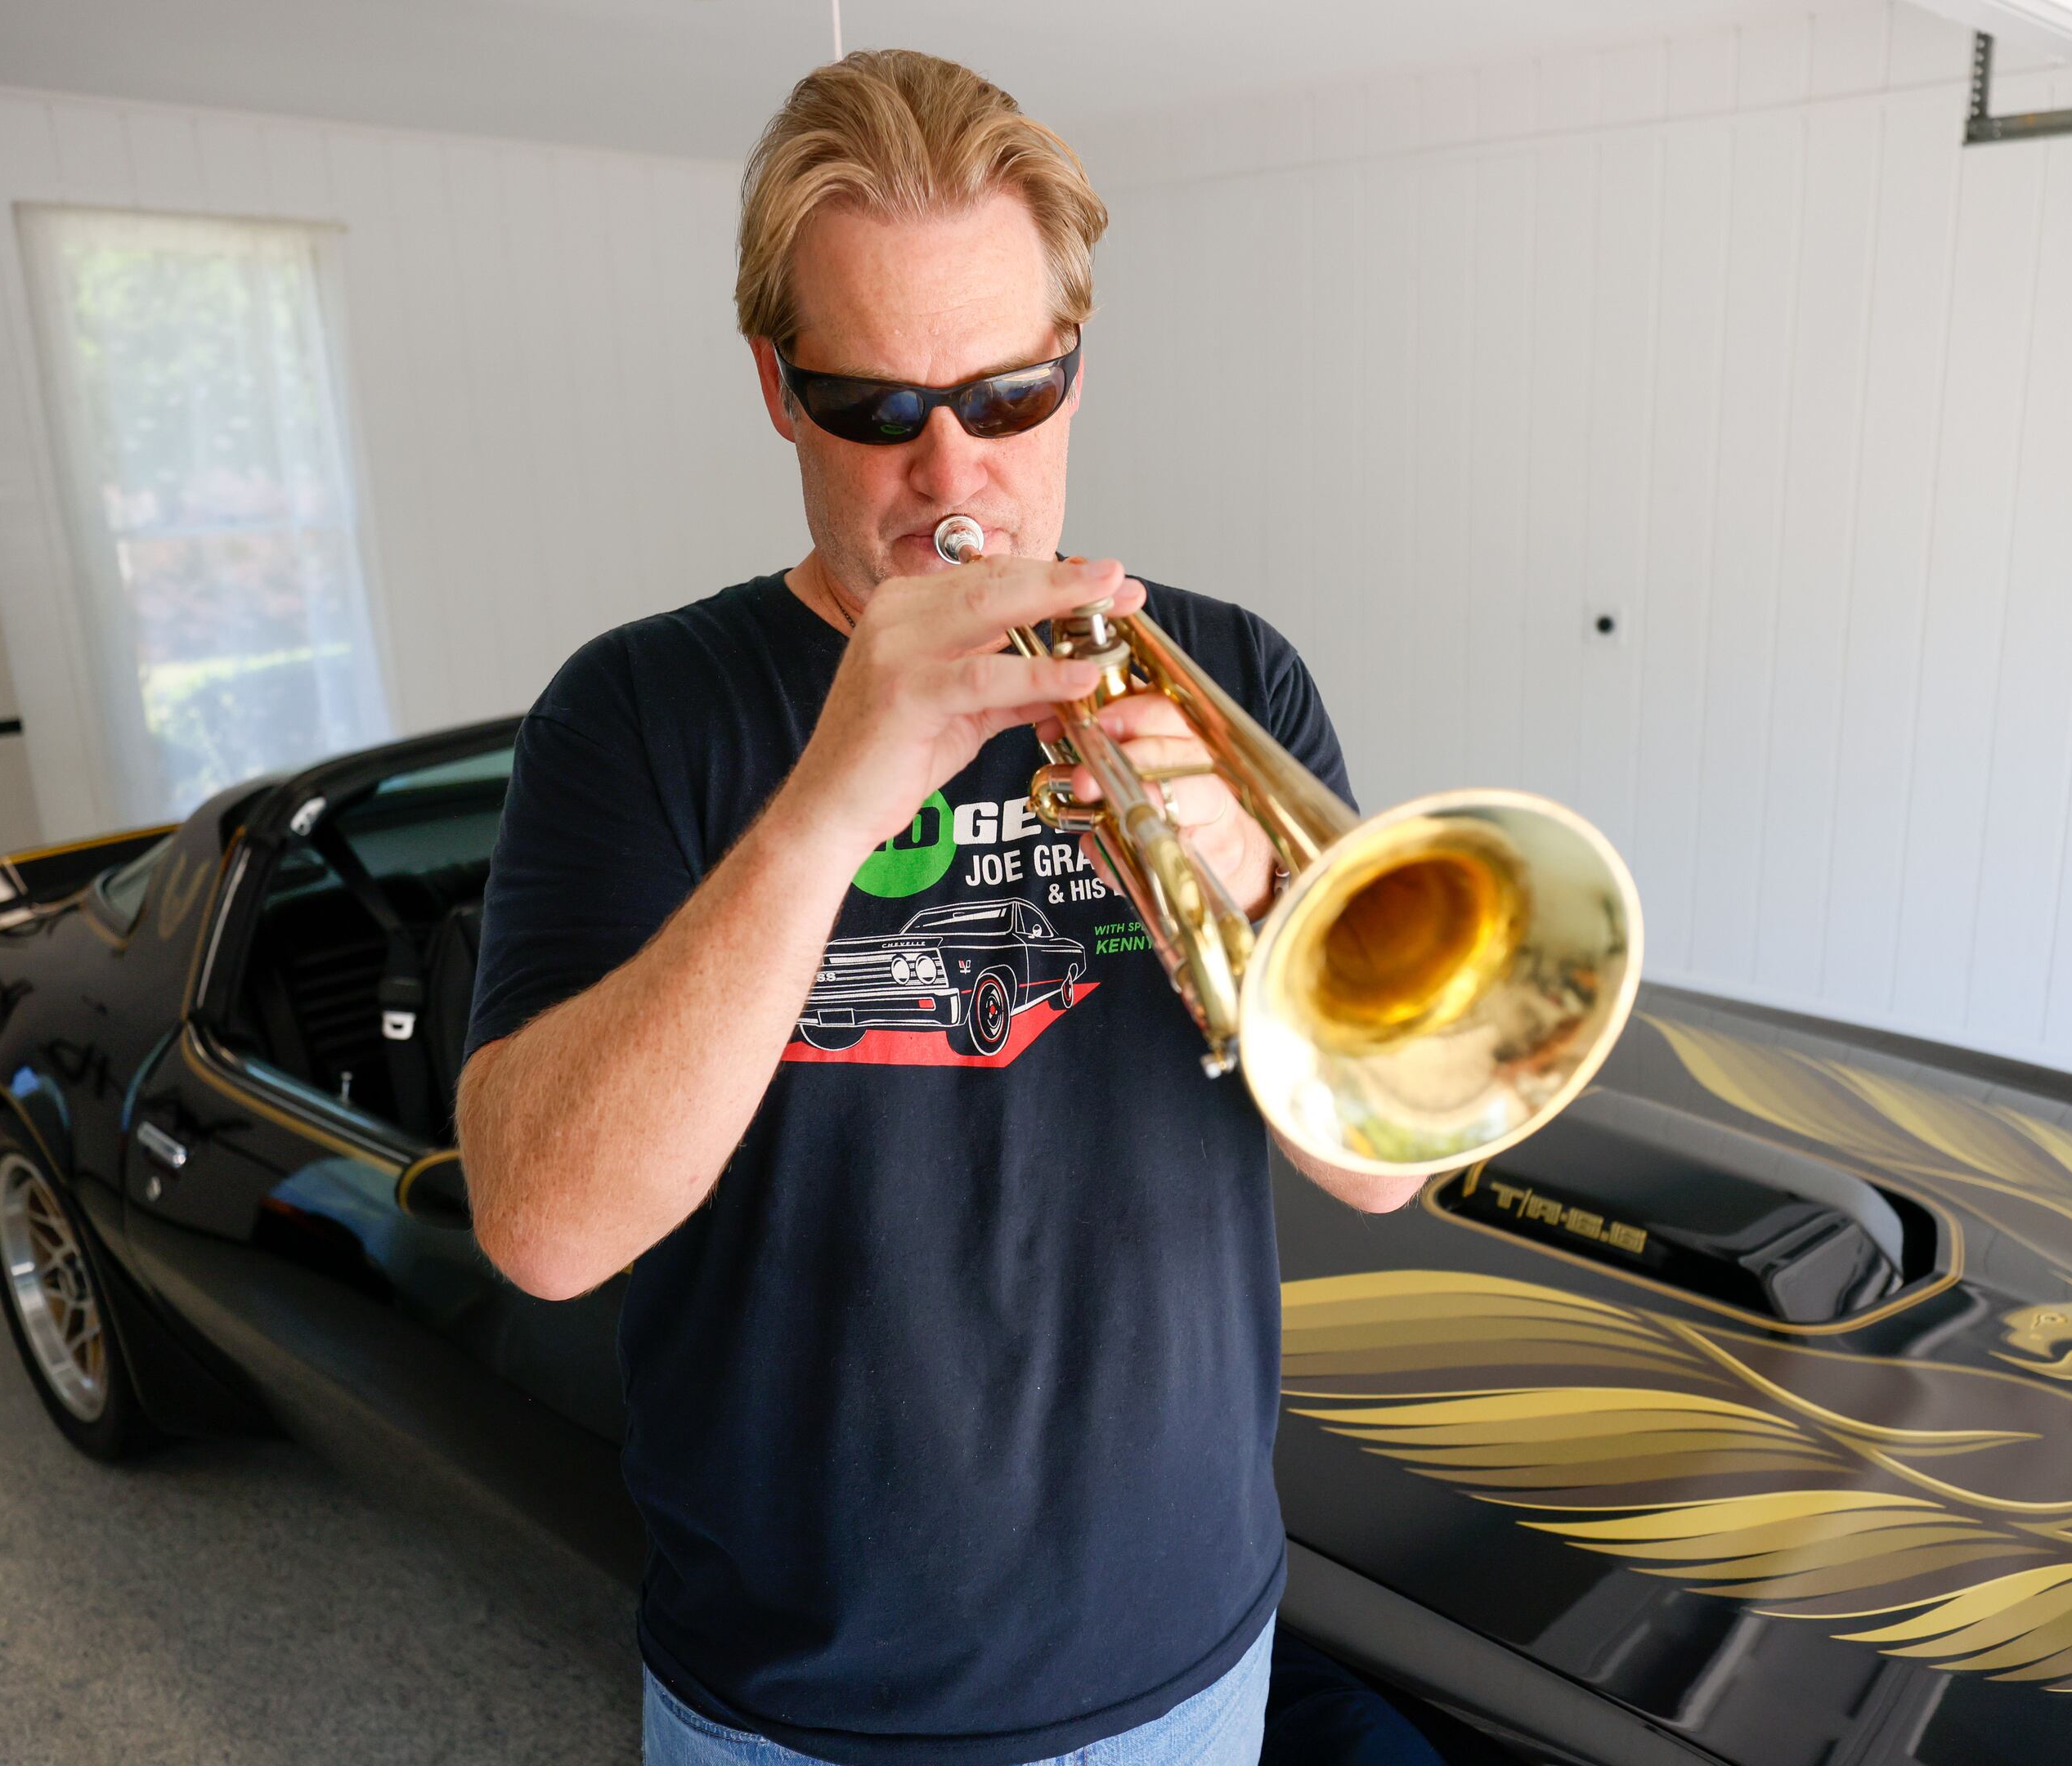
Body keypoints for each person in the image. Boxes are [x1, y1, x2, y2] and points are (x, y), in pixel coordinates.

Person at [452, 48, 1419, 1766]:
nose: (953, 475)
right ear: (776, 386)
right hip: (800, 1703)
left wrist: (1269, 895)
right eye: (879, 410)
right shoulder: (632, 714)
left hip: (1185, 1667)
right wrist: (832, 799)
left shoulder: (1233, 674)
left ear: (1078, 358)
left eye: (1013, 393)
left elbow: (1383, 1161)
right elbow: (540, 1226)